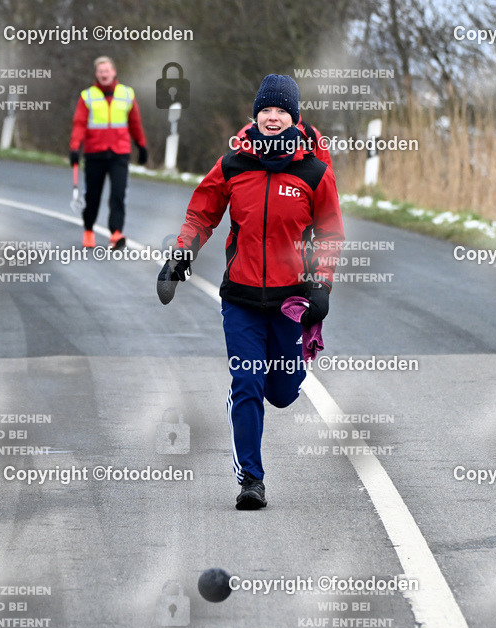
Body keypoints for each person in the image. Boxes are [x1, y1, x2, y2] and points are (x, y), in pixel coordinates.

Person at [158, 74, 344, 510]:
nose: (273, 117)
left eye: (281, 110)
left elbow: (331, 232)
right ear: (255, 116)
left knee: (280, 392)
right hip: (240, 298)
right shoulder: (233, 165)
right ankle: (251, 479)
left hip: (289, 302)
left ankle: (283, 380)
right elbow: (200, 214)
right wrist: (180, 257)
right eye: (266, 110)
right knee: (246, 381)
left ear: (294, 117)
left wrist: (322, 284)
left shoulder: (313, 172)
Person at [69, 56, 148, 249]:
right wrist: (74, 147)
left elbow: (135, 123)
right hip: (95, 153)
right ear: (97, 74)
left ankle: (116, 233)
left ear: (114, 72)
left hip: (119, 153)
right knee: (92, 196)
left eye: (107, 70)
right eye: (100, 71)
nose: (104, 74)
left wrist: (141, 145)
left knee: (118, 194)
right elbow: (79, 124)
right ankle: (88, 230)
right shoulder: (87, 95)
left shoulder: (127, 94)